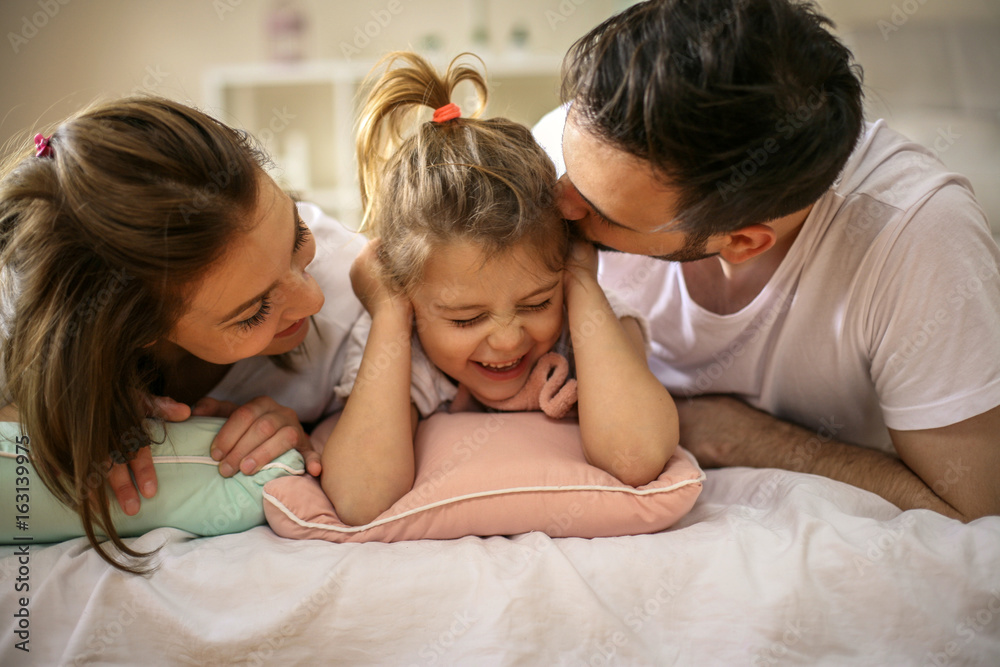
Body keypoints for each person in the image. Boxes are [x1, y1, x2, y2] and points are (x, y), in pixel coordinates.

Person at [531, 0, 1000, 521]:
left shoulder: (917, 240)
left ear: (742, 242)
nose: (556, 203)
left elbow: (976, 511)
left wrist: (737, 435)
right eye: (567, 161)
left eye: (600, 211)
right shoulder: (576, 147)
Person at [0, 96, 366, 570]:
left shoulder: (349, 284)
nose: (311, 300)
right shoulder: (29, 330)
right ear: (137, 333)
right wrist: (62, 409)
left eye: (297, 237)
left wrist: (313, 438)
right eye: (254, 311)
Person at [321, 52, 679, 526]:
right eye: (466, 319)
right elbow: (360, 499)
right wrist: (387, 311)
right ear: (408, 295)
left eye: (537, 303)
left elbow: (637, 458)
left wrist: (580, 282)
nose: (509, 339)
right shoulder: (401, 345)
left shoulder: (592, 321)